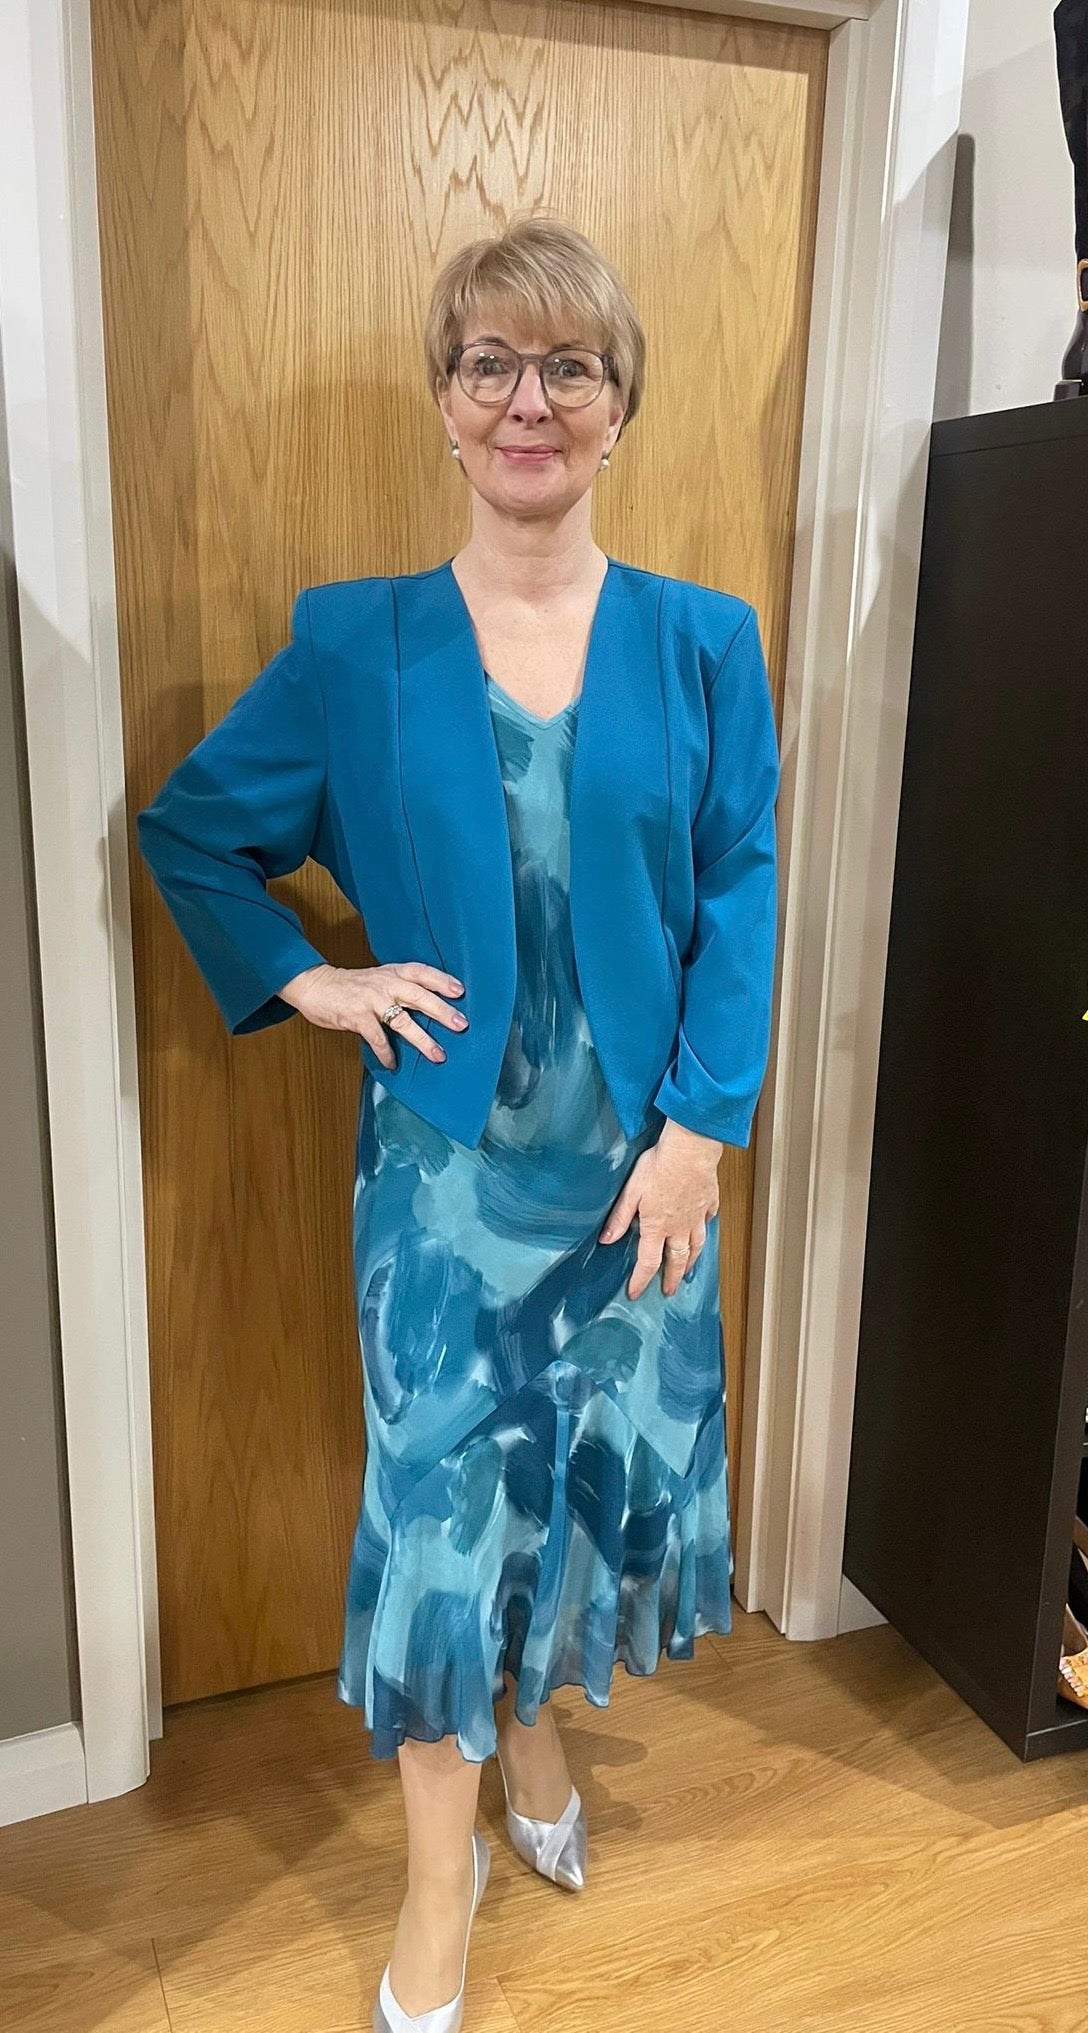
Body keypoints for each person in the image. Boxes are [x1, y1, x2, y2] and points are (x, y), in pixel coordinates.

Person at [136, 212, 781, 2033]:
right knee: (440, 1519)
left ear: (620, 405)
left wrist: (704, 1127)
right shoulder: (360, 646)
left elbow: (741, 885)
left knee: (571, 1495)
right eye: (491, 363)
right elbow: (197, 831)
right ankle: (442, 1878)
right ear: (444, 400)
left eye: (569, 366)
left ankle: (538, 1734)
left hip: (643, 1175)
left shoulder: (705, 642)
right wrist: (311, 979)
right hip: (443, 1189)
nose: (528, 401)